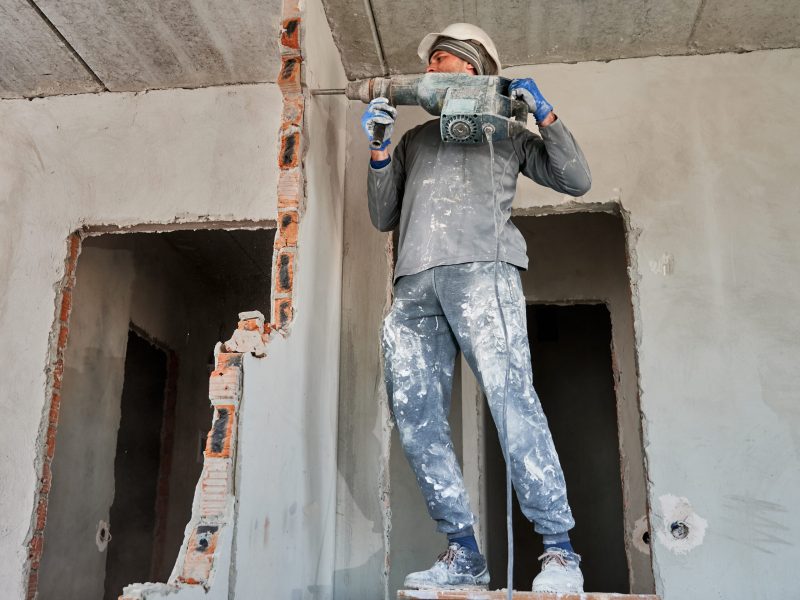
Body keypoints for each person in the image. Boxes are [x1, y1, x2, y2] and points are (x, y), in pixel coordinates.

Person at [362, 23, 591, 593]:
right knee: (416, 418)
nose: (432, 69)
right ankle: (463, 552)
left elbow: (577, 180)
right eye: (430, 61)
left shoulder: (505, 134)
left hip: (483, 274)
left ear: (474, 68)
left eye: (443, 59)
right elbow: (382, 216)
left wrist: (543, 114)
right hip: (414, 284)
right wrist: (380, 149)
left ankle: (559, 552)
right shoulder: (415, 140)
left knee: (512, 403)